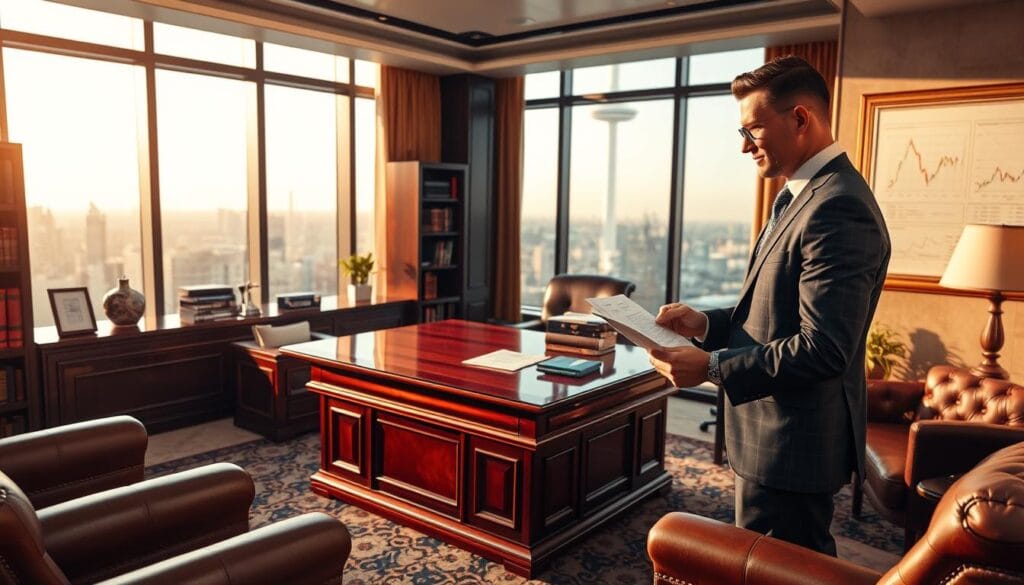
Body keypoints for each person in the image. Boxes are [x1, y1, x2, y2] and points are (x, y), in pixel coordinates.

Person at [648, 55, 891, 556]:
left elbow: (823, 348)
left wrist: (712, 366)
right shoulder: (800, 195)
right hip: (773, 435)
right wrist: (706, 324)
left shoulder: (837, 207)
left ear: (800, 118)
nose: (744, 146)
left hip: (792, 444)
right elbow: (772, 311)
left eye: (753, 130)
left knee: (779, 568)